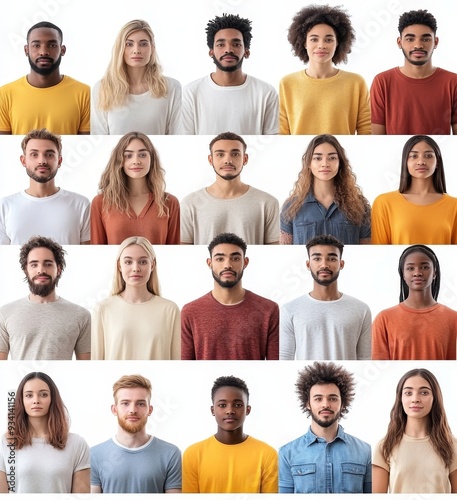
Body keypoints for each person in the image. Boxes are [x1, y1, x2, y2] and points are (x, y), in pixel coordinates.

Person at [181, 232, 279, 360]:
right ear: (210, 263)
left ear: (245, 262)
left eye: (235, 258)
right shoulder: (190, 312)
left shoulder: (268, 309)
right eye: (220, 259)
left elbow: (274, 365)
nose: (227, 265)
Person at [279, 361, 371, 493]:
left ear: (343, 403)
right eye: (318, 399)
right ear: (308, 404)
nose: (325, 404)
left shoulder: (365, 451)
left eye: (332, 398)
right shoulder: (286, 453)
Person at [279, 5, 371, 135]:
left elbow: (366, 131)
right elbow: (282, 133)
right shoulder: (287, 83)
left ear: (338, 43)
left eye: (328, 39)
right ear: (304, 43)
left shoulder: (356, 83)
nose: (321, 45)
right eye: (314, 39)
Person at [182, 13, 279, 135]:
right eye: (221, 44)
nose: (228, 49)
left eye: (236, 44)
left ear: (246, 51)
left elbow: (272, 141)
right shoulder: (191, 92)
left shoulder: (265, 92)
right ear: (211, 52)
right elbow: (187, 141)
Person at [280, 235, 371, 360]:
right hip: (307, 379)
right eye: (317, 258)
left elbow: (365, 358)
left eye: (332, 259)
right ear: (308, 264)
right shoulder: (289, 310)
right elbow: (284, 358)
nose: (324, 264)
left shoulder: (361, 309)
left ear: (341, 264)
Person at [0, 236, 91, 360]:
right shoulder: (5, 313)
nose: (41, 270)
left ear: (58, 269)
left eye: (48, 264)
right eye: (34, 264)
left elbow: (85, 367)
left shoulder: (81, 315)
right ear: (26, 270)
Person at [182, 375, 277, 493]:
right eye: (222, 405)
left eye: (238, 405)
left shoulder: (267, 454)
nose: (230, 410)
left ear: (247, 410)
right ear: (213, 410)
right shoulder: (193, 454)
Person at [180, 132, 279, 244]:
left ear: (245, 159)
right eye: (220, 154)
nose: (228, 160)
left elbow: (273, 252)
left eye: (235, 154)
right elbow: (184, 252)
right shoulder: (190, 204)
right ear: (210, 159)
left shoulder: (267, 203)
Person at [91, 236, 180, 360]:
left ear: (152, 265)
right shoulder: (103, 309)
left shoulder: (170, 310)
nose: (135, 268)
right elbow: (96, 362)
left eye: (143, 262)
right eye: (128, 262)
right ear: (119, 266)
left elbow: (176, 361)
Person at [0, 372, 90, 493]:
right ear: (21, 400)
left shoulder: (77, 444)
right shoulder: (5, 443)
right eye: (29, 395)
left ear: (52, 399)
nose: (36, 400)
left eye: (43, 394)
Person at [371, 9, 457, 135]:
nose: (418, 45)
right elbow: (377, 140)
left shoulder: (453, 82)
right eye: (410, 39)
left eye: (426, 39)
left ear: (436, 42)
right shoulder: (382, 82)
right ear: (399, 42)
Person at [90, 374, 181, 493]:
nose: (133, 410)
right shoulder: (94, 455)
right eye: (125, 403)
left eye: (140, 404)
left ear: (150, 410)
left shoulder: (171, 454)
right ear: (114, 409)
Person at [373, 368, 457, 493]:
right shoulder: (384, 446)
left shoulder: (451, 445)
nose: (415, 399)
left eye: (424, 393)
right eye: (408, 393)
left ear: (434, 398)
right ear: (400, 398)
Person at [0, 128, 90, 245]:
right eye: (34, 154)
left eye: (49, 154)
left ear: (59, 161)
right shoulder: (5, 206)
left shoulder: (81, 204)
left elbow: (87, 255)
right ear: (23, 161)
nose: (42, 161)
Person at [91, 19, 181, 135]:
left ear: (152, 48)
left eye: (143, 44)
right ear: (120, 48)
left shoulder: (172, 88)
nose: (136, 50)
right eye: (129, 44)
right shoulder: (102, 88)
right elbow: (99, 135)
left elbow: (176, 136)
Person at [0, 22, 90, 135]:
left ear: (62, 50)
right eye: (36, 45)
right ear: (26, 50)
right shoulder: (5, 94)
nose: (43, 52)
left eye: (52, 45)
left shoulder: (85, 93)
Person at [90, 132, 180, 245]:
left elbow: (173, 250)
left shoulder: (170, 203)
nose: (136, 161)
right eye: (128, 156)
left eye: (142, 155)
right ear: (119, 160)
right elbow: (98, 251)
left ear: (152, 159)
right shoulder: (101, 202)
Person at [280, 134, 371, 244]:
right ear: (309, 163)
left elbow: (366, 248)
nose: (325, 164)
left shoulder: (360, 206)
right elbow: (285, 251)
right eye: (318, 158)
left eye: (332, 158)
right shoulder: (291, 207)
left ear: (340, 163)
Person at [372, 244, 457, 360]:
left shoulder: (453, 318)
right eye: (410, 268)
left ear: (434, 273)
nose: (417, 273)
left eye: (424, 267)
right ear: (403, 274)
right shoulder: (384, 319)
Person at [372, 135, 457, 244]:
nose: (421, 161)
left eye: (428, 156)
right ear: (405, 162)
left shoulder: (454, 206)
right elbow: (379, 251)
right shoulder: (384, 203)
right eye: (414, 156)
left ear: (438, 162)